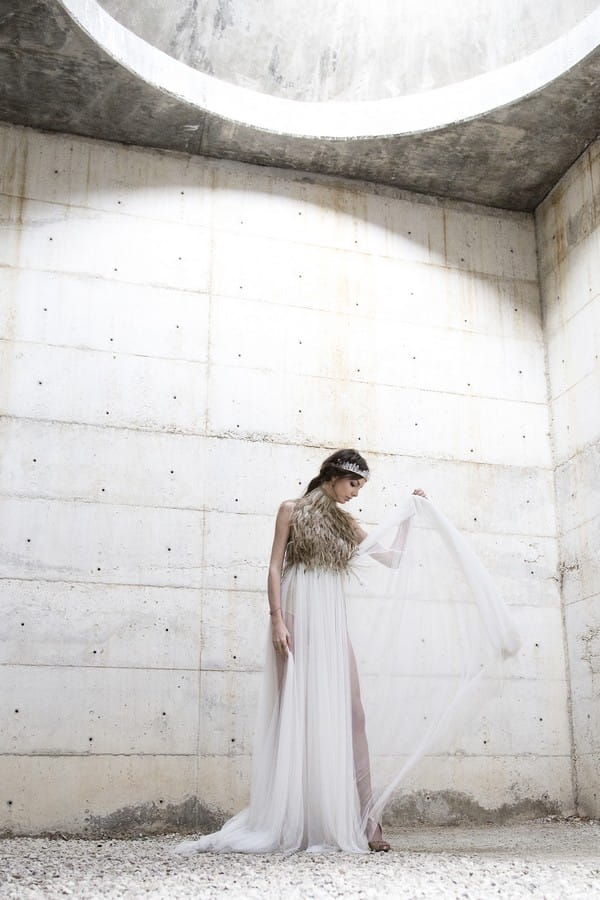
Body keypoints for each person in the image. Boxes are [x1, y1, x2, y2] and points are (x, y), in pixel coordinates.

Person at [174, 449, 519, 856]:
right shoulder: (291, 509)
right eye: (354, 484)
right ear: (333, 476)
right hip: (296, 612)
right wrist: (276, 620)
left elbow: (391, 559)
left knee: (354, 714)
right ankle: (293, 817)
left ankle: (367, 821)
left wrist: (408, 516)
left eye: (360, 487)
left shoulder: (347, 522)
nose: (356, 493)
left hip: (331, 619)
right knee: (295, 714)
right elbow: (273, 567)